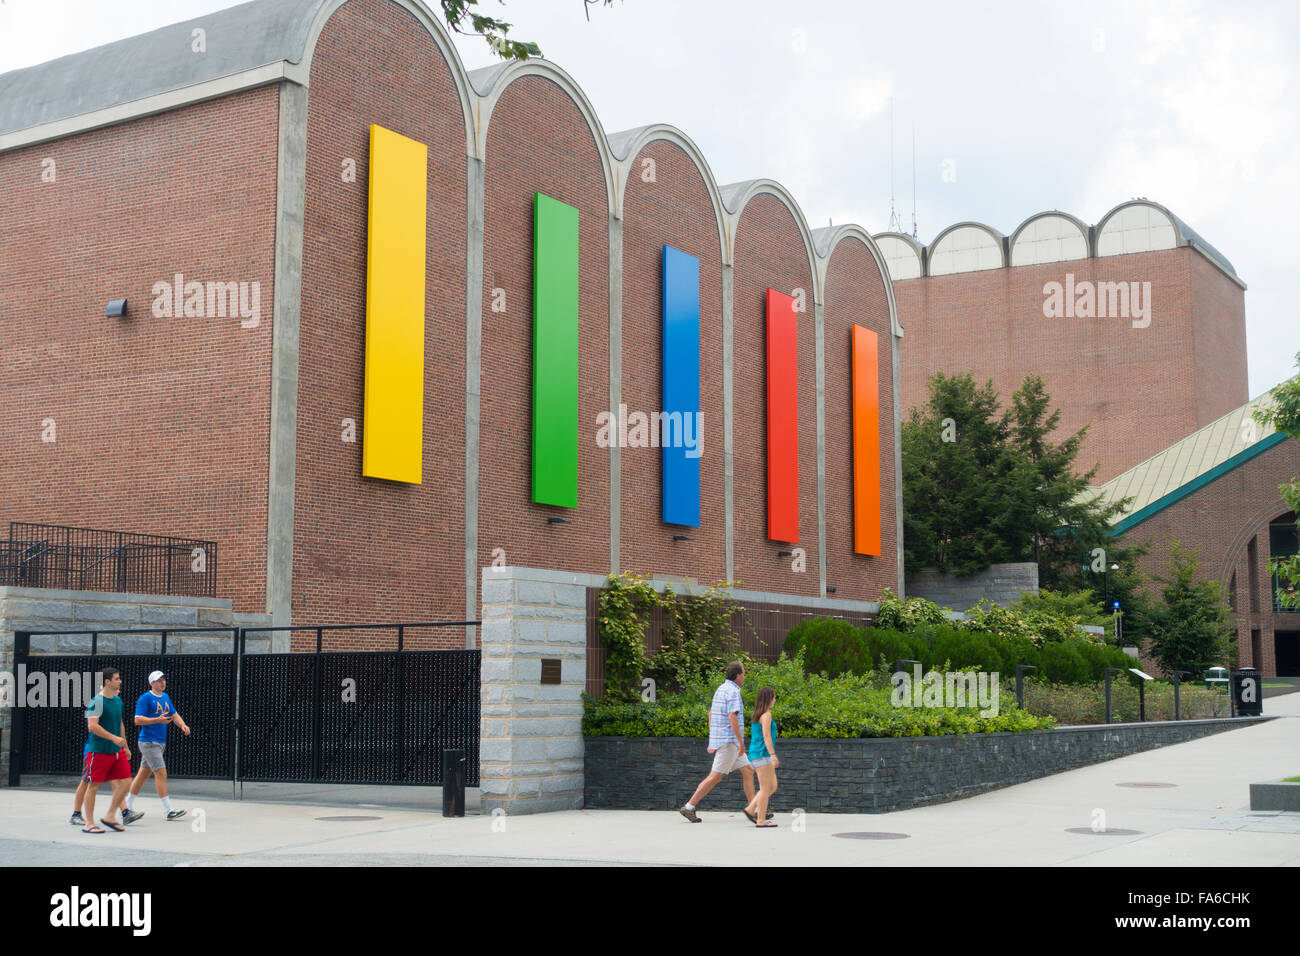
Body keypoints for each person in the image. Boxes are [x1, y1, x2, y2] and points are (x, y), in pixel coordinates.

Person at [679, 660, 757, 822]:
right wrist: (741, 742)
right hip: (730, 742)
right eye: (744, 673)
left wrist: (713, 739)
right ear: (737, 675)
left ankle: (754, 809)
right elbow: (732, 716)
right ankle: (689, 807)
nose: (745, 676)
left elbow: (711, 714)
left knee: (748, 770)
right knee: (715, 776)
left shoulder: (721, 689)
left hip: (725, 740)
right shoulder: (733, 692)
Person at [124, 670, 190, 822]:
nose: (162, 683)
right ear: (152, 683)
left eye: (163, 680)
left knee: (142, 775)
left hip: (160, 742)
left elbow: (174, 714)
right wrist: (157, 720)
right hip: (149, 742)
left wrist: (183, 725)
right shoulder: (145, 698)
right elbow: (137, 720)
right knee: (161, 773)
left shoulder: (165, 697)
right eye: (159, 680)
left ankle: (127, 805)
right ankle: (168, 810)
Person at [82, 667, 132, 833]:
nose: (120, 681)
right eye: (117, 679)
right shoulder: (96, 701)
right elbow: (92, 726)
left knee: (126, 781)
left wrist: (125, 746)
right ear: (107, 681)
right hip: (99, 751)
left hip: (116, 751)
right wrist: (113, 738)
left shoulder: (118, 701)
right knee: (93, 786)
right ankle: (89, 823)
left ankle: (110, 816)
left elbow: (120, 723)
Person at [743, 686, 780, 827]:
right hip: (762, 754)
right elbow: (766, 736)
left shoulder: (758, 715)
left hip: (757, 754)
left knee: (772, 786)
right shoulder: (766, 715)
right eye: (774, 697)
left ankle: (751, 808)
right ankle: (760, 820)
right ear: (768, 699)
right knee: (765, 789)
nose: (775, 700)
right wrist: (772, 755)